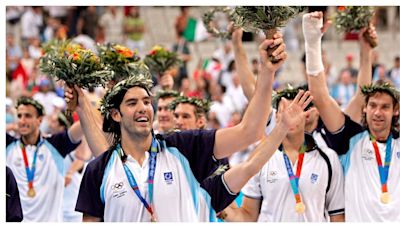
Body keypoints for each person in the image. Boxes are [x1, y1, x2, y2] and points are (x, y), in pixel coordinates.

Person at [65, 33, 287, 222]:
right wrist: (83, 104)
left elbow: (250, 131)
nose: (143, 108)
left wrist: (267, 72)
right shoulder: (98, 169)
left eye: (146, 101)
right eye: (132, 103)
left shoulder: (182, 147)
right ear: (115, 114)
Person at [303, 12, 400, 222]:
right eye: (372, 105)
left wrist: (366, 51)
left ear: (396, 110)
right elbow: (319, 95)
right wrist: (312, 41)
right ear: (365, 108)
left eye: (385, 107)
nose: (377, 112)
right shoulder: (350, 140)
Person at [220, 87, 345, 222]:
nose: (289, 117)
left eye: (294, 111)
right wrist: (224, 212)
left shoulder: (328, 158)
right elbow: (249, 216)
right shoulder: (261, 157)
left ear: (306, 115)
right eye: (283, 111)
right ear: (276, 117)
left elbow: (337, 217)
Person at [6, 97, 83, 221]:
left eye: (28, 116)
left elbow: (81, 128)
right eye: (19, 116)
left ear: (39, 120)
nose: (22, 120)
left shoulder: (55, 145)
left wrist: (81, 106)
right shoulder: (7, 145)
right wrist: (10, 127)